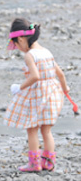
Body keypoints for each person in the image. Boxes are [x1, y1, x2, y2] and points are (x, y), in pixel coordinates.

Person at [4, 18, 69, 172]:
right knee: (46, 131)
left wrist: (19, 87)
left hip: (38, 95)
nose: (19, 48)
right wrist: (65, 89)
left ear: (20, 39)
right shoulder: (47, 51)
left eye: (17, 45)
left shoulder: (30, 55)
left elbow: (35, 76)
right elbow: (60, 74)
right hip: (52, 94)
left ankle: (34, 164)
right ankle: (48, 162)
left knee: (31, 129)